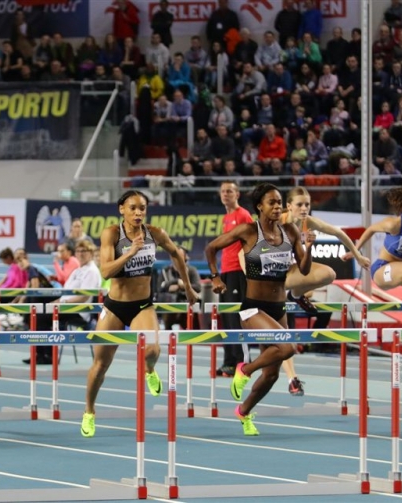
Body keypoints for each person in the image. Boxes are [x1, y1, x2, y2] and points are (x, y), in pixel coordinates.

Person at [81, 190, 198, 438]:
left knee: (153, 351)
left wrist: (188, 287)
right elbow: (106, 271)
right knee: (101, 365)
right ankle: (89, 411)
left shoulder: (155, 233)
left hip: (142, 305)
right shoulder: (112, 234)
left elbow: (176, 254)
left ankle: (149, 370)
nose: (138, 213)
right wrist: (130, 252)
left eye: (142, 208)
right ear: (121, 209)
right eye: (133, 208)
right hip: (115, 306)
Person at [205, 183, 315, 436]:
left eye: (279, 203)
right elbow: (211, 248)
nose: (277, 207)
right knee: (287, 348)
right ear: (259, 207)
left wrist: (309, 247)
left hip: (278, 308)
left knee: (272, 375)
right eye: (271, 203)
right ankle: (244, 369)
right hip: (253, 308)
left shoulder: (290, 231)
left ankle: (243, 412)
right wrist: (215, 277)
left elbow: (305, 268)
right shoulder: (248, 231)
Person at [278, 187, 371, 396]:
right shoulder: (275, 222)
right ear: (289, 206)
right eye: (299, 205)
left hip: (288, 274)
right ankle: (292, 378)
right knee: (283, 334)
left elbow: (339, 233)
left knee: (329, 274)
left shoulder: (307, 222)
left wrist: (357, 255)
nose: (304, 208)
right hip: (269, 278)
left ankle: (295, 295)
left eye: (307, 204)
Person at [216, 181, 253, 377]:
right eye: (223, 191)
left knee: (237, 319)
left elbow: (251, 242)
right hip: (226, 271)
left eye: (229, 191)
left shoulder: (243, 215)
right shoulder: (226, 217)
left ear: (237, 194)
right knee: (227, 318)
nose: (225, 194)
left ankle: (242, 362)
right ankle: (229, 362)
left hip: (239, 272)